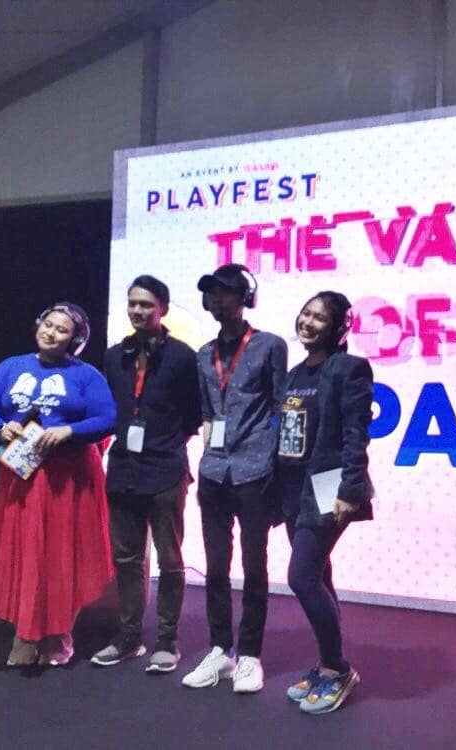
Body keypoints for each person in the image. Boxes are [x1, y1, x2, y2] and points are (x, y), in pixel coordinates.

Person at [0, 302, 116, 667]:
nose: (51, 333)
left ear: (75, 340)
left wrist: (69, 430)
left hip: (68, 480)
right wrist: (0, 427)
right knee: (26, 554)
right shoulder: (11, 366)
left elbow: (108, 417)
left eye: (61, 329)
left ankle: (59, 633)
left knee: (61, 556)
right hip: (21, 475)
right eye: (47, 325)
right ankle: (25, 632)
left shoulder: (86, 375)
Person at [182, 264, 287, 693]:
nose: (217, 299)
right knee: (216, 565)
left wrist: (276, 462)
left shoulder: (269, 345)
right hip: (213, 470)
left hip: (255, 469)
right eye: (211, 293)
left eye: (225, 292)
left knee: (254, 565)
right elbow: (208, 410)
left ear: (246, 297)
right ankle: (220, 650)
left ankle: (250, 655)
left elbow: (281, 407)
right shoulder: (203, 353)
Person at [91, 275, 201, 673]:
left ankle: (167, 641)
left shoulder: (183, 357)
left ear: (163, 309)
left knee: (170, 560)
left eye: (146, 305)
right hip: (123, 469)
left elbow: (194, 414)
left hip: (166, 470)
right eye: (133, 303)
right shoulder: (113, 356)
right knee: (126, 559)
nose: (137, 311)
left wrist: (165, 442)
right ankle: (129, 637)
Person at [275, 291, 374, 714]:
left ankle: (337, 669)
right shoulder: (295, 373)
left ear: (338, 328)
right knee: (318, 574)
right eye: (306, 313)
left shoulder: (348, 368)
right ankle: (326, 663)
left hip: (329, 485)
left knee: (301, 577)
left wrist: (349, 490)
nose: (309, 322)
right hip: (293, 489)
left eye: (320, 317)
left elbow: (355, 433)